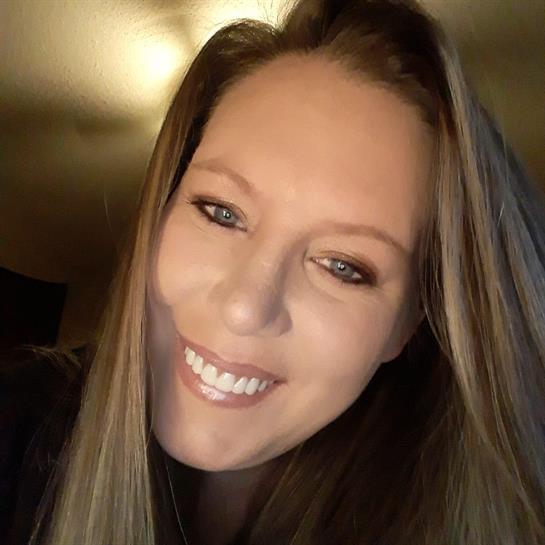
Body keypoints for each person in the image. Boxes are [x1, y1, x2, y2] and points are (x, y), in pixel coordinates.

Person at [2, 0, 544, 544]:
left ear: (406, 326)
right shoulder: (19, 426)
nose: (244, 306)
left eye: (342, 267)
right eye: (221, 212)